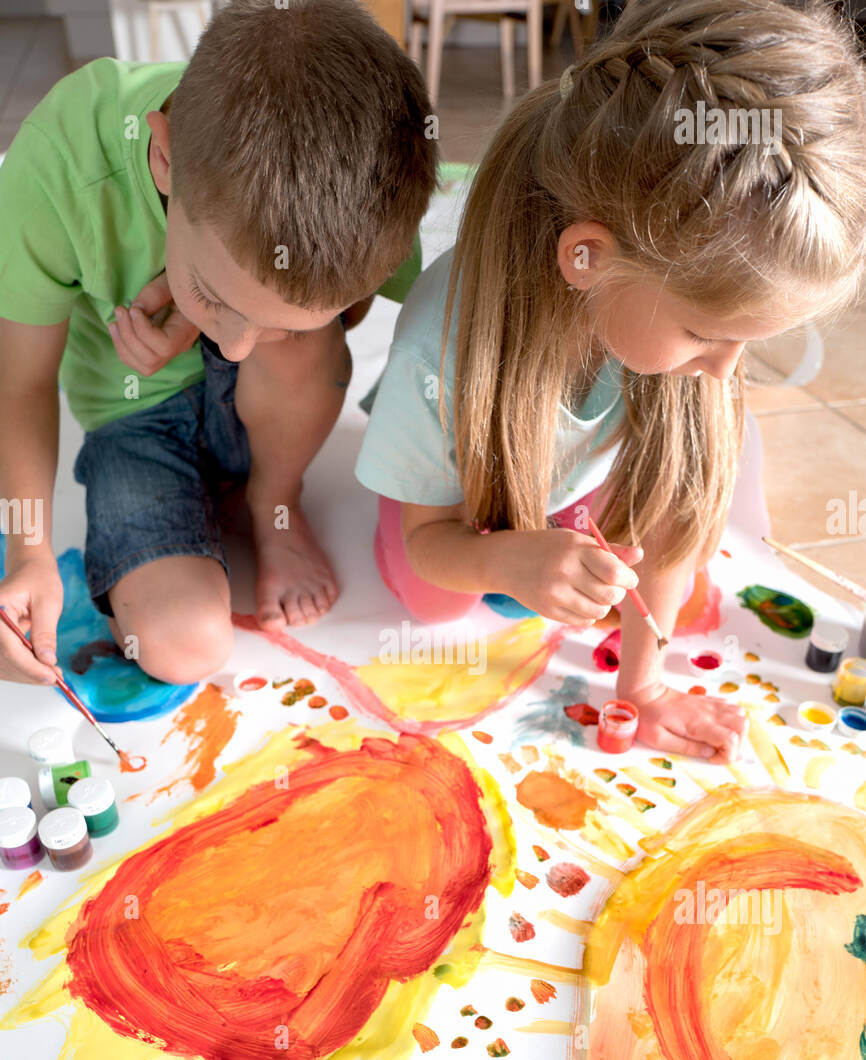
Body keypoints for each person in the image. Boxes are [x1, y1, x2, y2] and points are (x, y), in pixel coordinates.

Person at [355, 0, 866, 761]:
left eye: (744, 342)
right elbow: (431, 542)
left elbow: (673, 509)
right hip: (468, 491)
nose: (728, 370)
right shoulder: (441, 346)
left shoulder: (672, 327)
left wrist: (645, 686)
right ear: (587, 257)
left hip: (575, 478)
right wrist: (500, 558)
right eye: (707, 335)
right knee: (435, 602)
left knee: (686, 555)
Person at [0, 0, 436, 686]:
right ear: (165, 155)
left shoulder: (364, 198)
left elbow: (397, 319)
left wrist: (204, 309)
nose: (234, 349)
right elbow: (18, 383)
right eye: (217, 296)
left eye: (272, 320)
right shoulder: (61, 162)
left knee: (298, 343)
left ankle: (274, 503)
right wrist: (27, 552)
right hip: (132, 420)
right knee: (183, 647)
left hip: (268, 419)